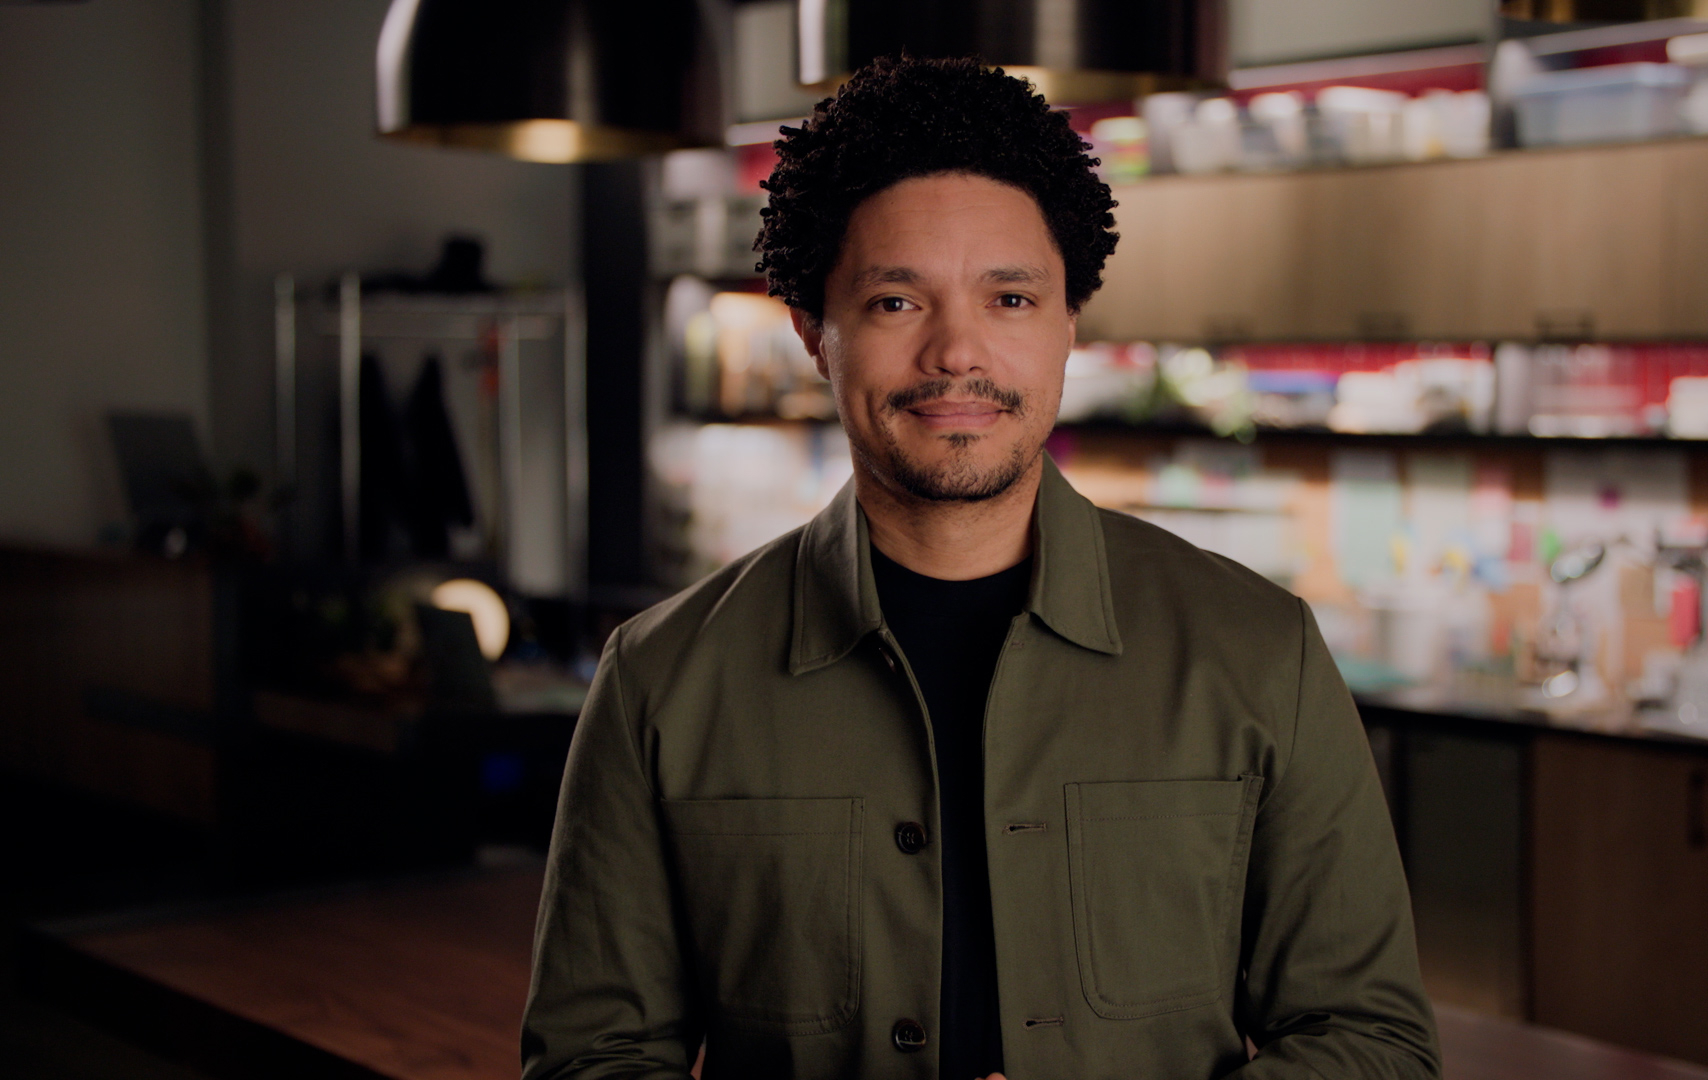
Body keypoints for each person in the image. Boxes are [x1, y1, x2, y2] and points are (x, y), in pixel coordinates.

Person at [522, 56, 1439, 1080]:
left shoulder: (1261, 653)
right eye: (894, 302)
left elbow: (1374, 1045)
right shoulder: (660, 679)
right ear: (814, 337)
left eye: (1008, 297)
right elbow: (587, 1060)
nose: (958, 353)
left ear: (1066, 326)